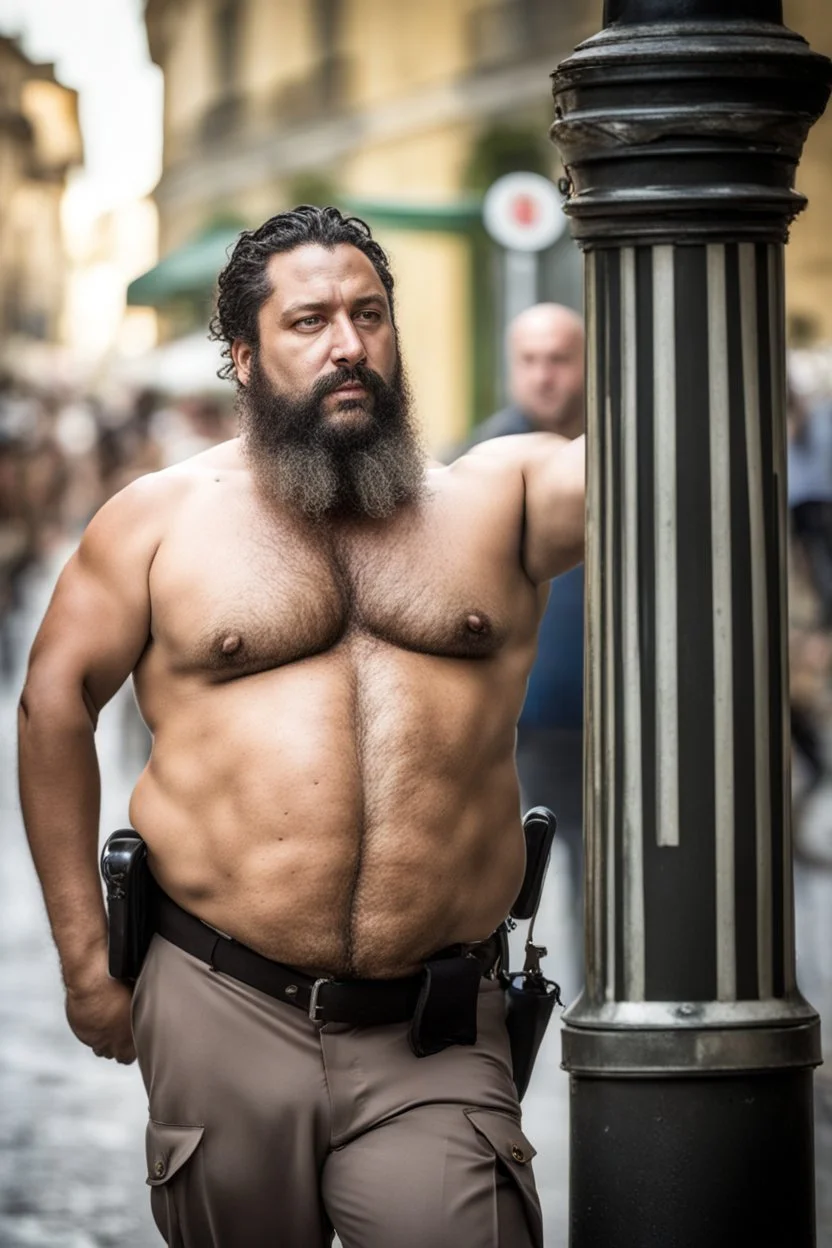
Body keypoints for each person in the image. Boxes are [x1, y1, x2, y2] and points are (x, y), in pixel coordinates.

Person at [18, 207, 584, 1248]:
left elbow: (640, 464)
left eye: (370, 315)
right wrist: (83, 956)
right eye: (310, 320)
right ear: (243, 355)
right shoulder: (155, 519)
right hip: (217, 997)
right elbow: (53, 704)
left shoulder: (492, 497)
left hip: (436, 1024)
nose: (348, 345)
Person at [453, 303, 585, 1001]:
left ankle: (601, 1017)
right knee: (500, 890)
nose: (546, 375)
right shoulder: (479, 463)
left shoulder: (611, 453)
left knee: (605, 895)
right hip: (516, 730)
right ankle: (493, 1012)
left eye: (560, 358)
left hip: (610, 726)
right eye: (531, 360)